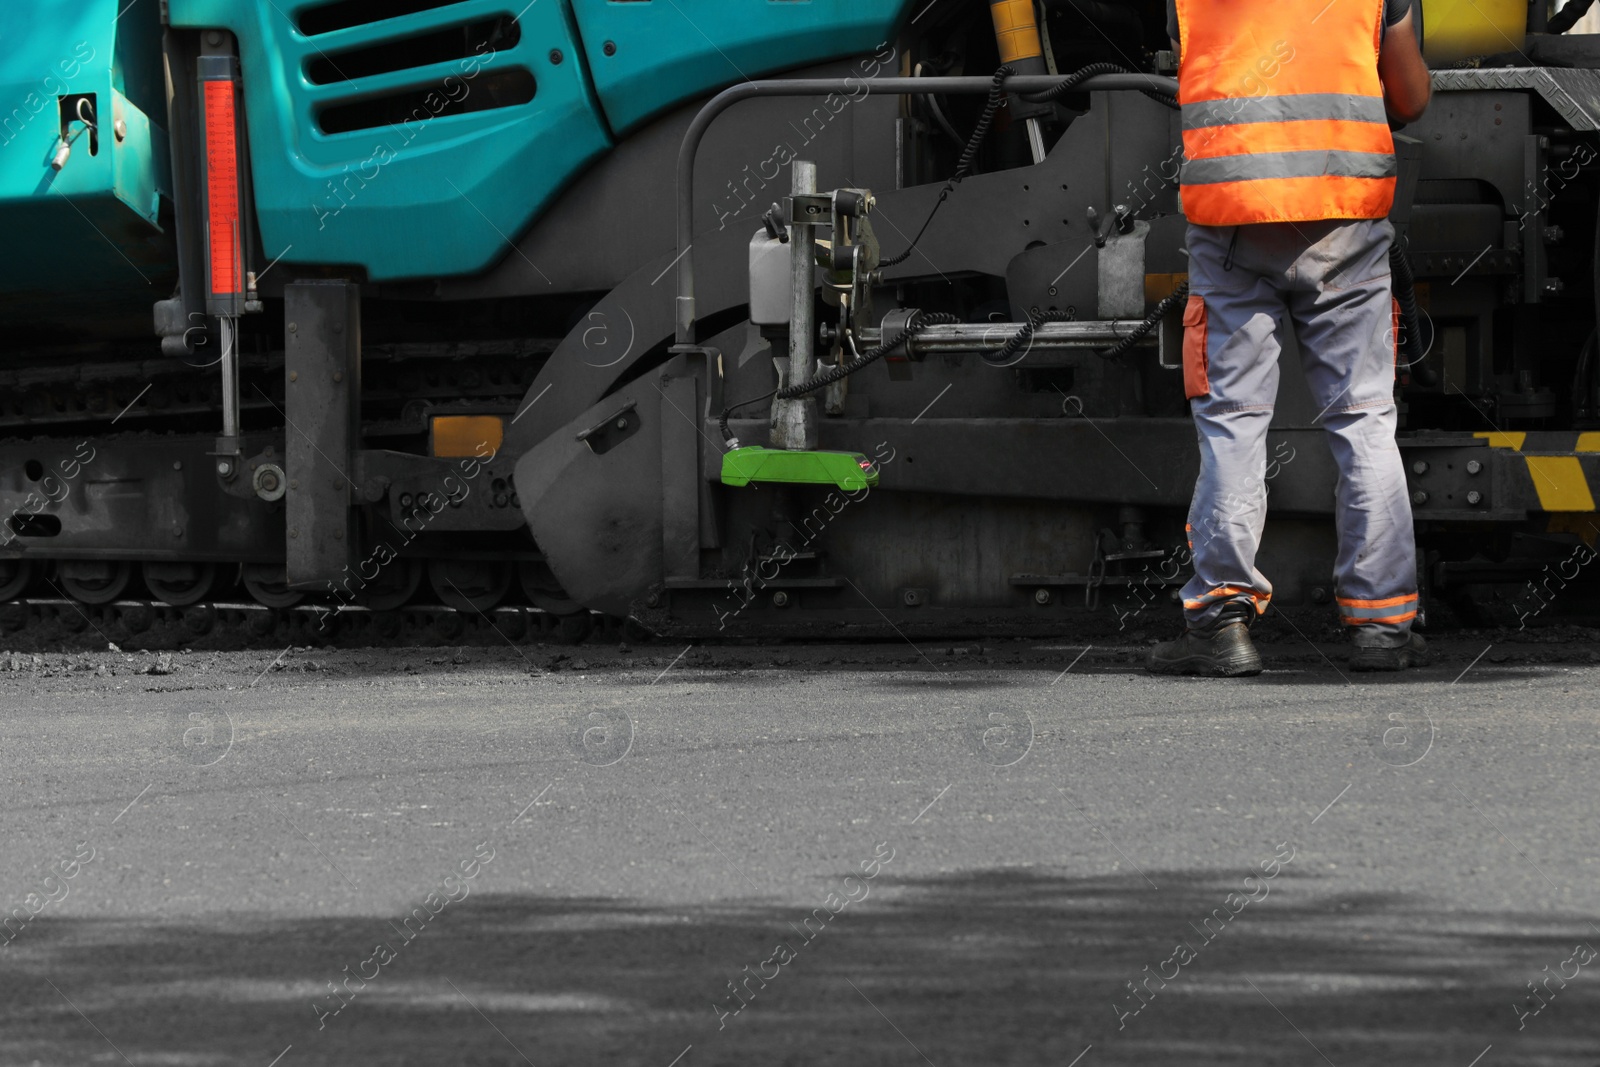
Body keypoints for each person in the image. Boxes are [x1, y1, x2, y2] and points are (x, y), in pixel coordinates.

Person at [1148, 0, 1433, 676]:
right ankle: (1382, 624)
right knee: (1364, 418)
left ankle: (1222, 623)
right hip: (1342, 217)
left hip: (1234, 219)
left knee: (1233, 422)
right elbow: (1412, 97)